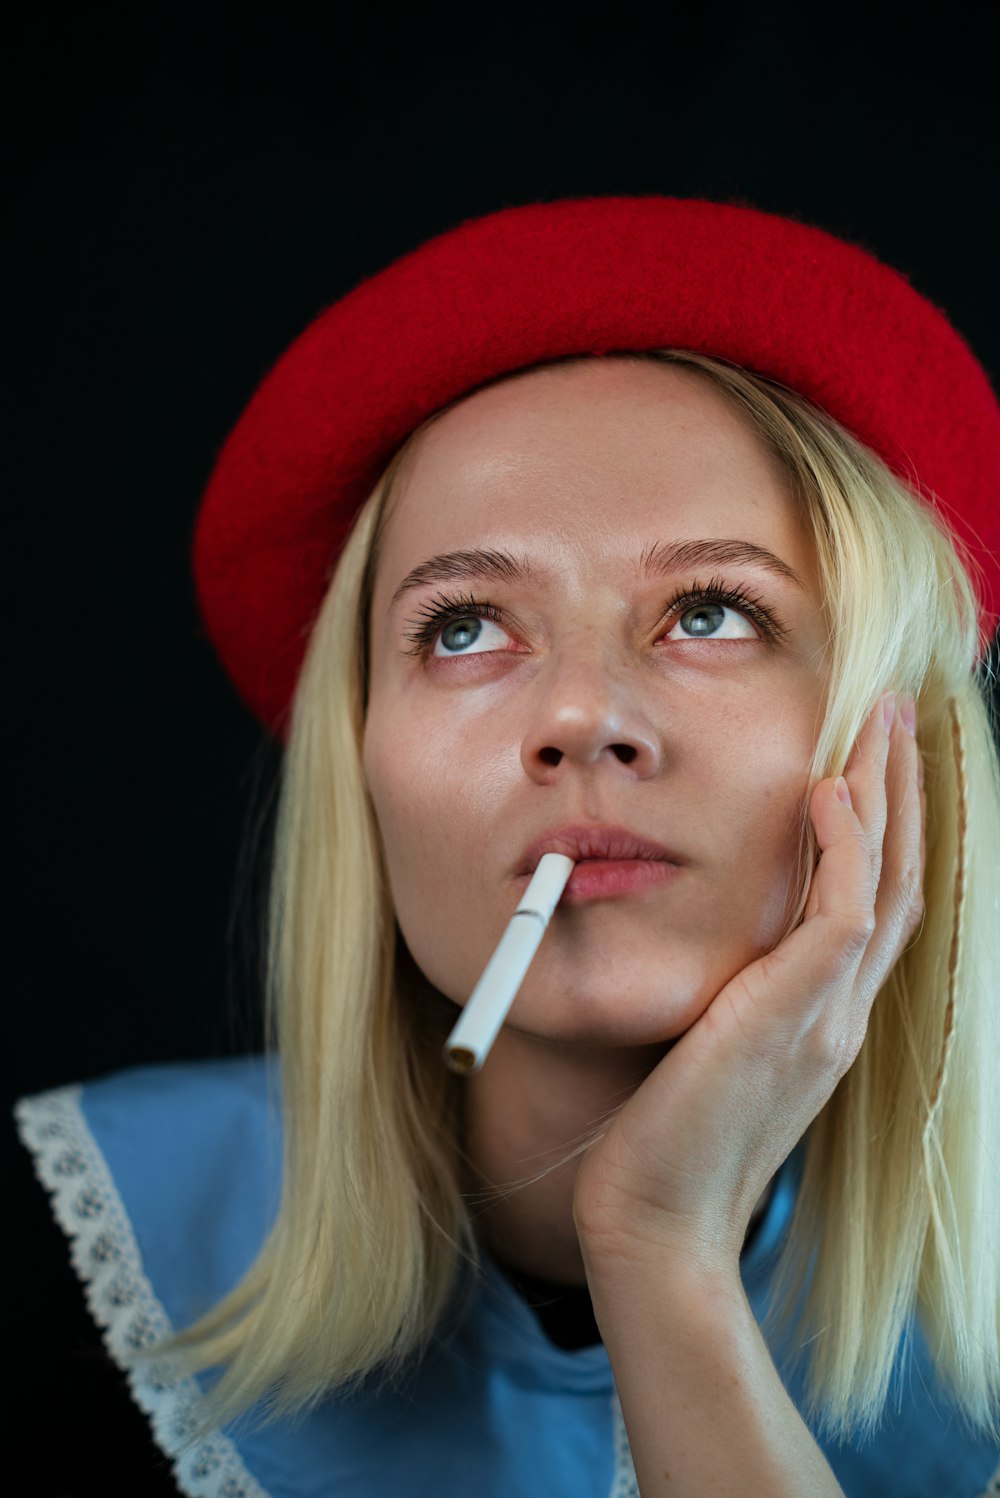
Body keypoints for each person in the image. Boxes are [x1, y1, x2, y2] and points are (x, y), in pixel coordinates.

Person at [15, 197, 1000, 1497]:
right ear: (359, 760)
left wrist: (663, 1246)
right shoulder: (75, 1234)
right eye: (466, 627)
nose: (583, 715)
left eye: (710, 609)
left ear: (896, 741)